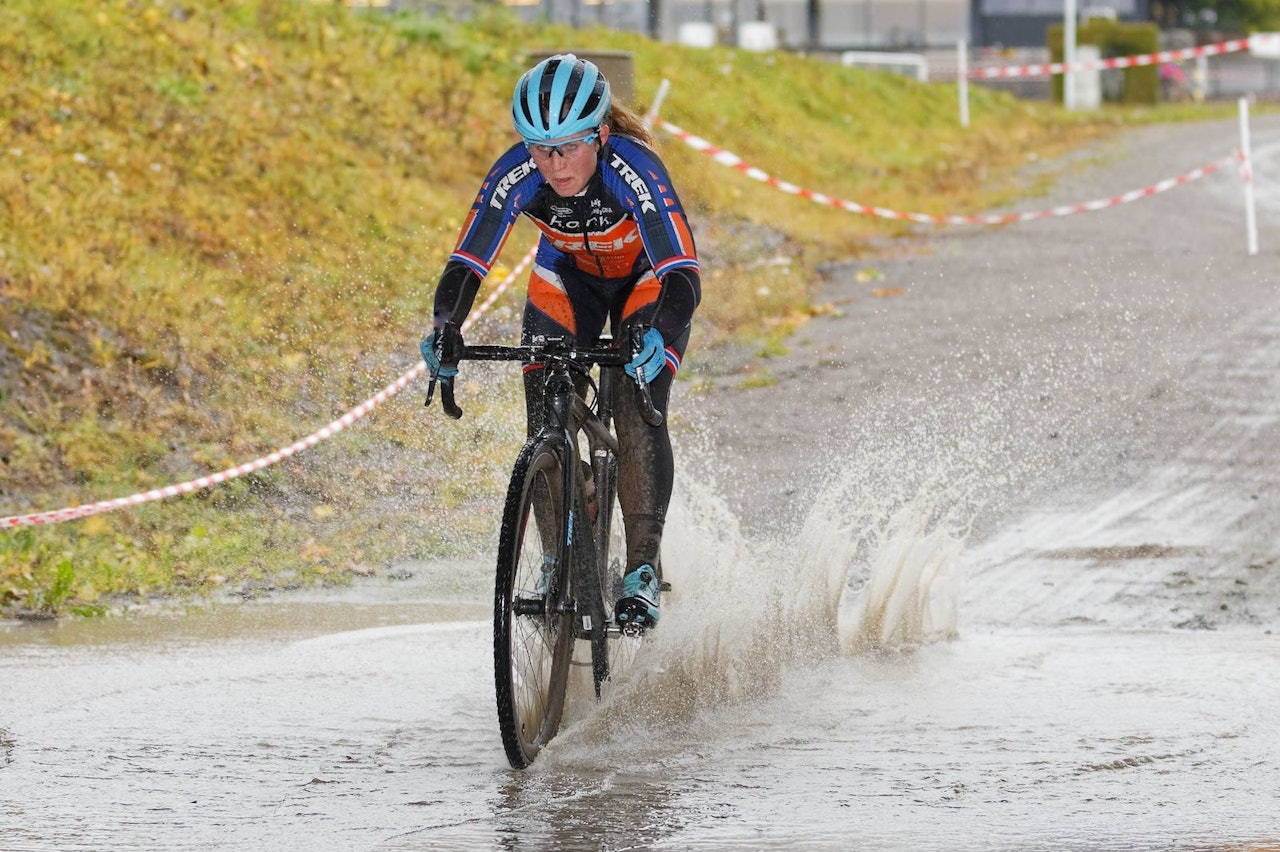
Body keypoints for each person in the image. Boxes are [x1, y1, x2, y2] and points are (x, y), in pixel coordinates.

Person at [420, 54, 701, 629]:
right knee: (543, 411)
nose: (555, 164)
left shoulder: (635, 168)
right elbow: (467, 261)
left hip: (645, 283)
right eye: (540, 149)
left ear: (599, 135)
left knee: (632, 397)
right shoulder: (517, 173)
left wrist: (662, 333)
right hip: (566, 281)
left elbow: (683, 273)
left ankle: (641, 569)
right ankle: (557, 556)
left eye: (569, 147)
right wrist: (446, 326)